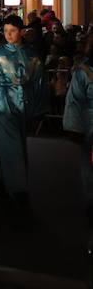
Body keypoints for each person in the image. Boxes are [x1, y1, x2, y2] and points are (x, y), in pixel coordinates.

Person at [0, 15, 43, 205]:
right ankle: (18, 188)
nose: (8, 35)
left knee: (16, 145)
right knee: (11, 145)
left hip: (23, 102)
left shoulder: (32, 54)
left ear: (21, 31)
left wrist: (38, 107)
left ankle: (2, 182)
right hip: (2, 102)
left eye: (12, 31)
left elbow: (39, 82)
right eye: (6, 31)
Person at [63, 36, 93, 222]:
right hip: (90, 125)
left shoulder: (83, 71)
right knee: (89, 165)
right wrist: (75, 127)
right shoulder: (84, 71)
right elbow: (75, 100)